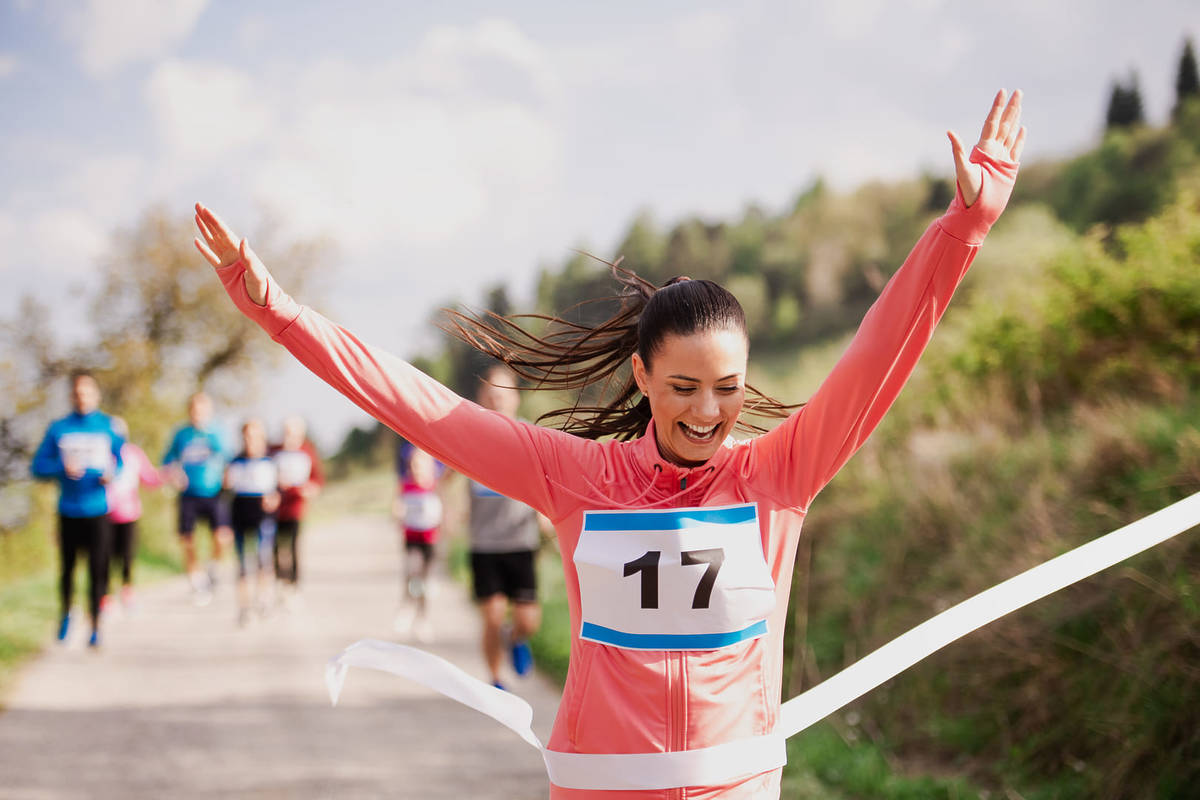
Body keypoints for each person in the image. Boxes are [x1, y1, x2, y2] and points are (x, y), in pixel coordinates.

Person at [195, 90, 1025, 799]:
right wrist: (279, 312)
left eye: (729, 389)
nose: (709, 412)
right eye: (684, 388)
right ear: (641, 375)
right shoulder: (575, 476)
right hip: (600, 786)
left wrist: (963, 228)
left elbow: (880, 352)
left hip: (732, 784)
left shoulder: (780, 475)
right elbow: (416, 405)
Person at [30, 372, 125, 648]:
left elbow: (121, 458)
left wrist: (112, 472)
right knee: (68, 569)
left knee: (98, 569)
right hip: (68, 509)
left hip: (98, 510)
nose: (82, 397)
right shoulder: (58, 428)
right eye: (77, 392)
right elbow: (37, 467)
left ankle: (96, 625)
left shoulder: (108, 427)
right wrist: (62, 468)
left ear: (96, 395)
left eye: (87, 392)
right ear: (72, 396)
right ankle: (66, 613)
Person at [469, 365, 547, 689]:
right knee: (492, 616)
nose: (497, 400)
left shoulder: (531, 437)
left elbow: (548, 481)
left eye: (503, 394)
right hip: (484, 543)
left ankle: (517, 638)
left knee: (528, 620)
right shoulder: (469, 437)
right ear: (481, 399)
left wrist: (547, 515)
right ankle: (496, 679)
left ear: (516, 399)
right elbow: (442, 473)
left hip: (521, 541)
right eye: (491, 394)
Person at [162, 392, 231, 604]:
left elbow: (228, 459)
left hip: (213, 492)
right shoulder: (181, 434)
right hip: (188, 494)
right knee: (187, 540)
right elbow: (167, 460)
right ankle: (196, 581)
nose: (197, 414)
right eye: (194, 409)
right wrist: (174, 475)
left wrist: (227, 478)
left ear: (208, 411)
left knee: (222, 536)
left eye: (202, 410)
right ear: (189, 411)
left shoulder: (216, 433)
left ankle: (213, 566)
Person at [104, 417, 164, 611]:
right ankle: (105, 595)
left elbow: (150, 478)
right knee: (105, 555)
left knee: (127, 556)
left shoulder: (133, 454)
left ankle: (127, 592)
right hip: (103, 512)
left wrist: (166, 475)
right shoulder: (102, 454)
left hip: (129, 513)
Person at [225, 418, 279, 625]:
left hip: (263, 518)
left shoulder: (270, 461)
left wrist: (274, 498)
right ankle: (244, 607)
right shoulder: (234, 462)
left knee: (263, 560)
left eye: (255, 436)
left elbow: (278, 490)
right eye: (247, 436)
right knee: (241, 564)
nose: (250, 440)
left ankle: (264, 599)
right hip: (239, 515)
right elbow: (225, 493)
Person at [270, 416, 324, 599]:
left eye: (294, 434)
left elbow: (317, 480)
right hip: (276, 508)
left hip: (296, 507)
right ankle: (279, 580)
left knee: (293, 546)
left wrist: (309, 490)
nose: (290, 438)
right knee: (276, 546)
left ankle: (294, 584)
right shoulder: (273, 451)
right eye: (286, 433)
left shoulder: (307, 452)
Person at [392, 447, 443, 642]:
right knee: (412, 573)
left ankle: (423, 618)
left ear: (430, 467)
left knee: (425, 583)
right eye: (413, 464)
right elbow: (397, 506)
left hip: (430, 540)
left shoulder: (434, 487)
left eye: (420, 464)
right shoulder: (406, 486)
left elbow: (443, 510)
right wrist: (397, 514)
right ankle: (406, 607)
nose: (416, 468)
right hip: (411, 538)